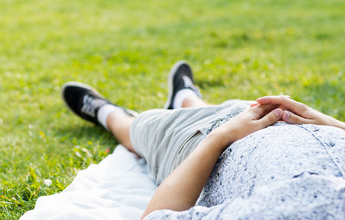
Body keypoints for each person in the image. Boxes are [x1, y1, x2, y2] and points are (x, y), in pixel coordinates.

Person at [61, 61, 345, 219]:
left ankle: (106, 113)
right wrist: (332, 124)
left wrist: (223, 136)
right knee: (222, 106)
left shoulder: (292, 212)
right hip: (269, 117)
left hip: (205, 147)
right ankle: (186, 96)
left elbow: (156, 217)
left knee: (141, 127)